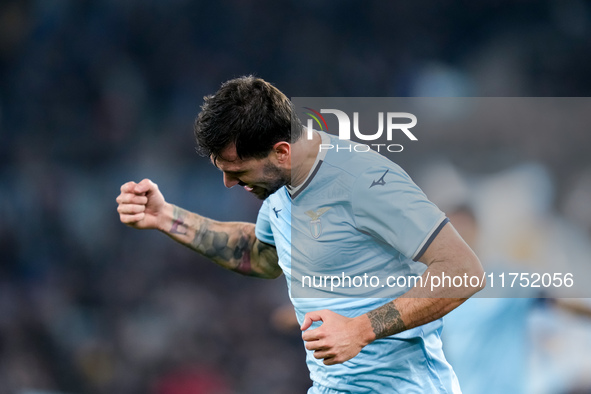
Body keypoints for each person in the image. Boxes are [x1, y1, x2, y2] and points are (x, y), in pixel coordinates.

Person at [116, 76, 485, 393]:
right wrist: (167, 218)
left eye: (238, 171)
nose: (229, 183)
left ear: (281, 152)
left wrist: (361, 329)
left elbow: (464, 271)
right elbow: (259, 254)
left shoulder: (365, 182)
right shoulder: (281, 185)